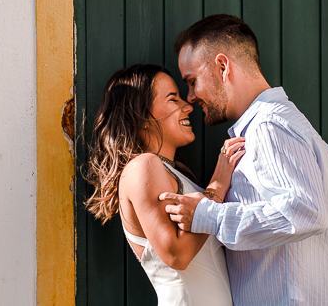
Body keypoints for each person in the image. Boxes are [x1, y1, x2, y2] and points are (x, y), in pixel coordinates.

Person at [160, 14, 328, 306]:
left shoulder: (268, 127)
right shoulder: (294, 125)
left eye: (192, 81)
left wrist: (206, 216)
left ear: (222, 66)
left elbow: (303, 213)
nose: (190, 97)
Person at [84, 63, 246, 306]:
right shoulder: (144, 166)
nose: (187, 106)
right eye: (173, 99)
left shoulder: (171, 173)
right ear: (142, 115)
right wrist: (218, 185)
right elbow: (177, 255)